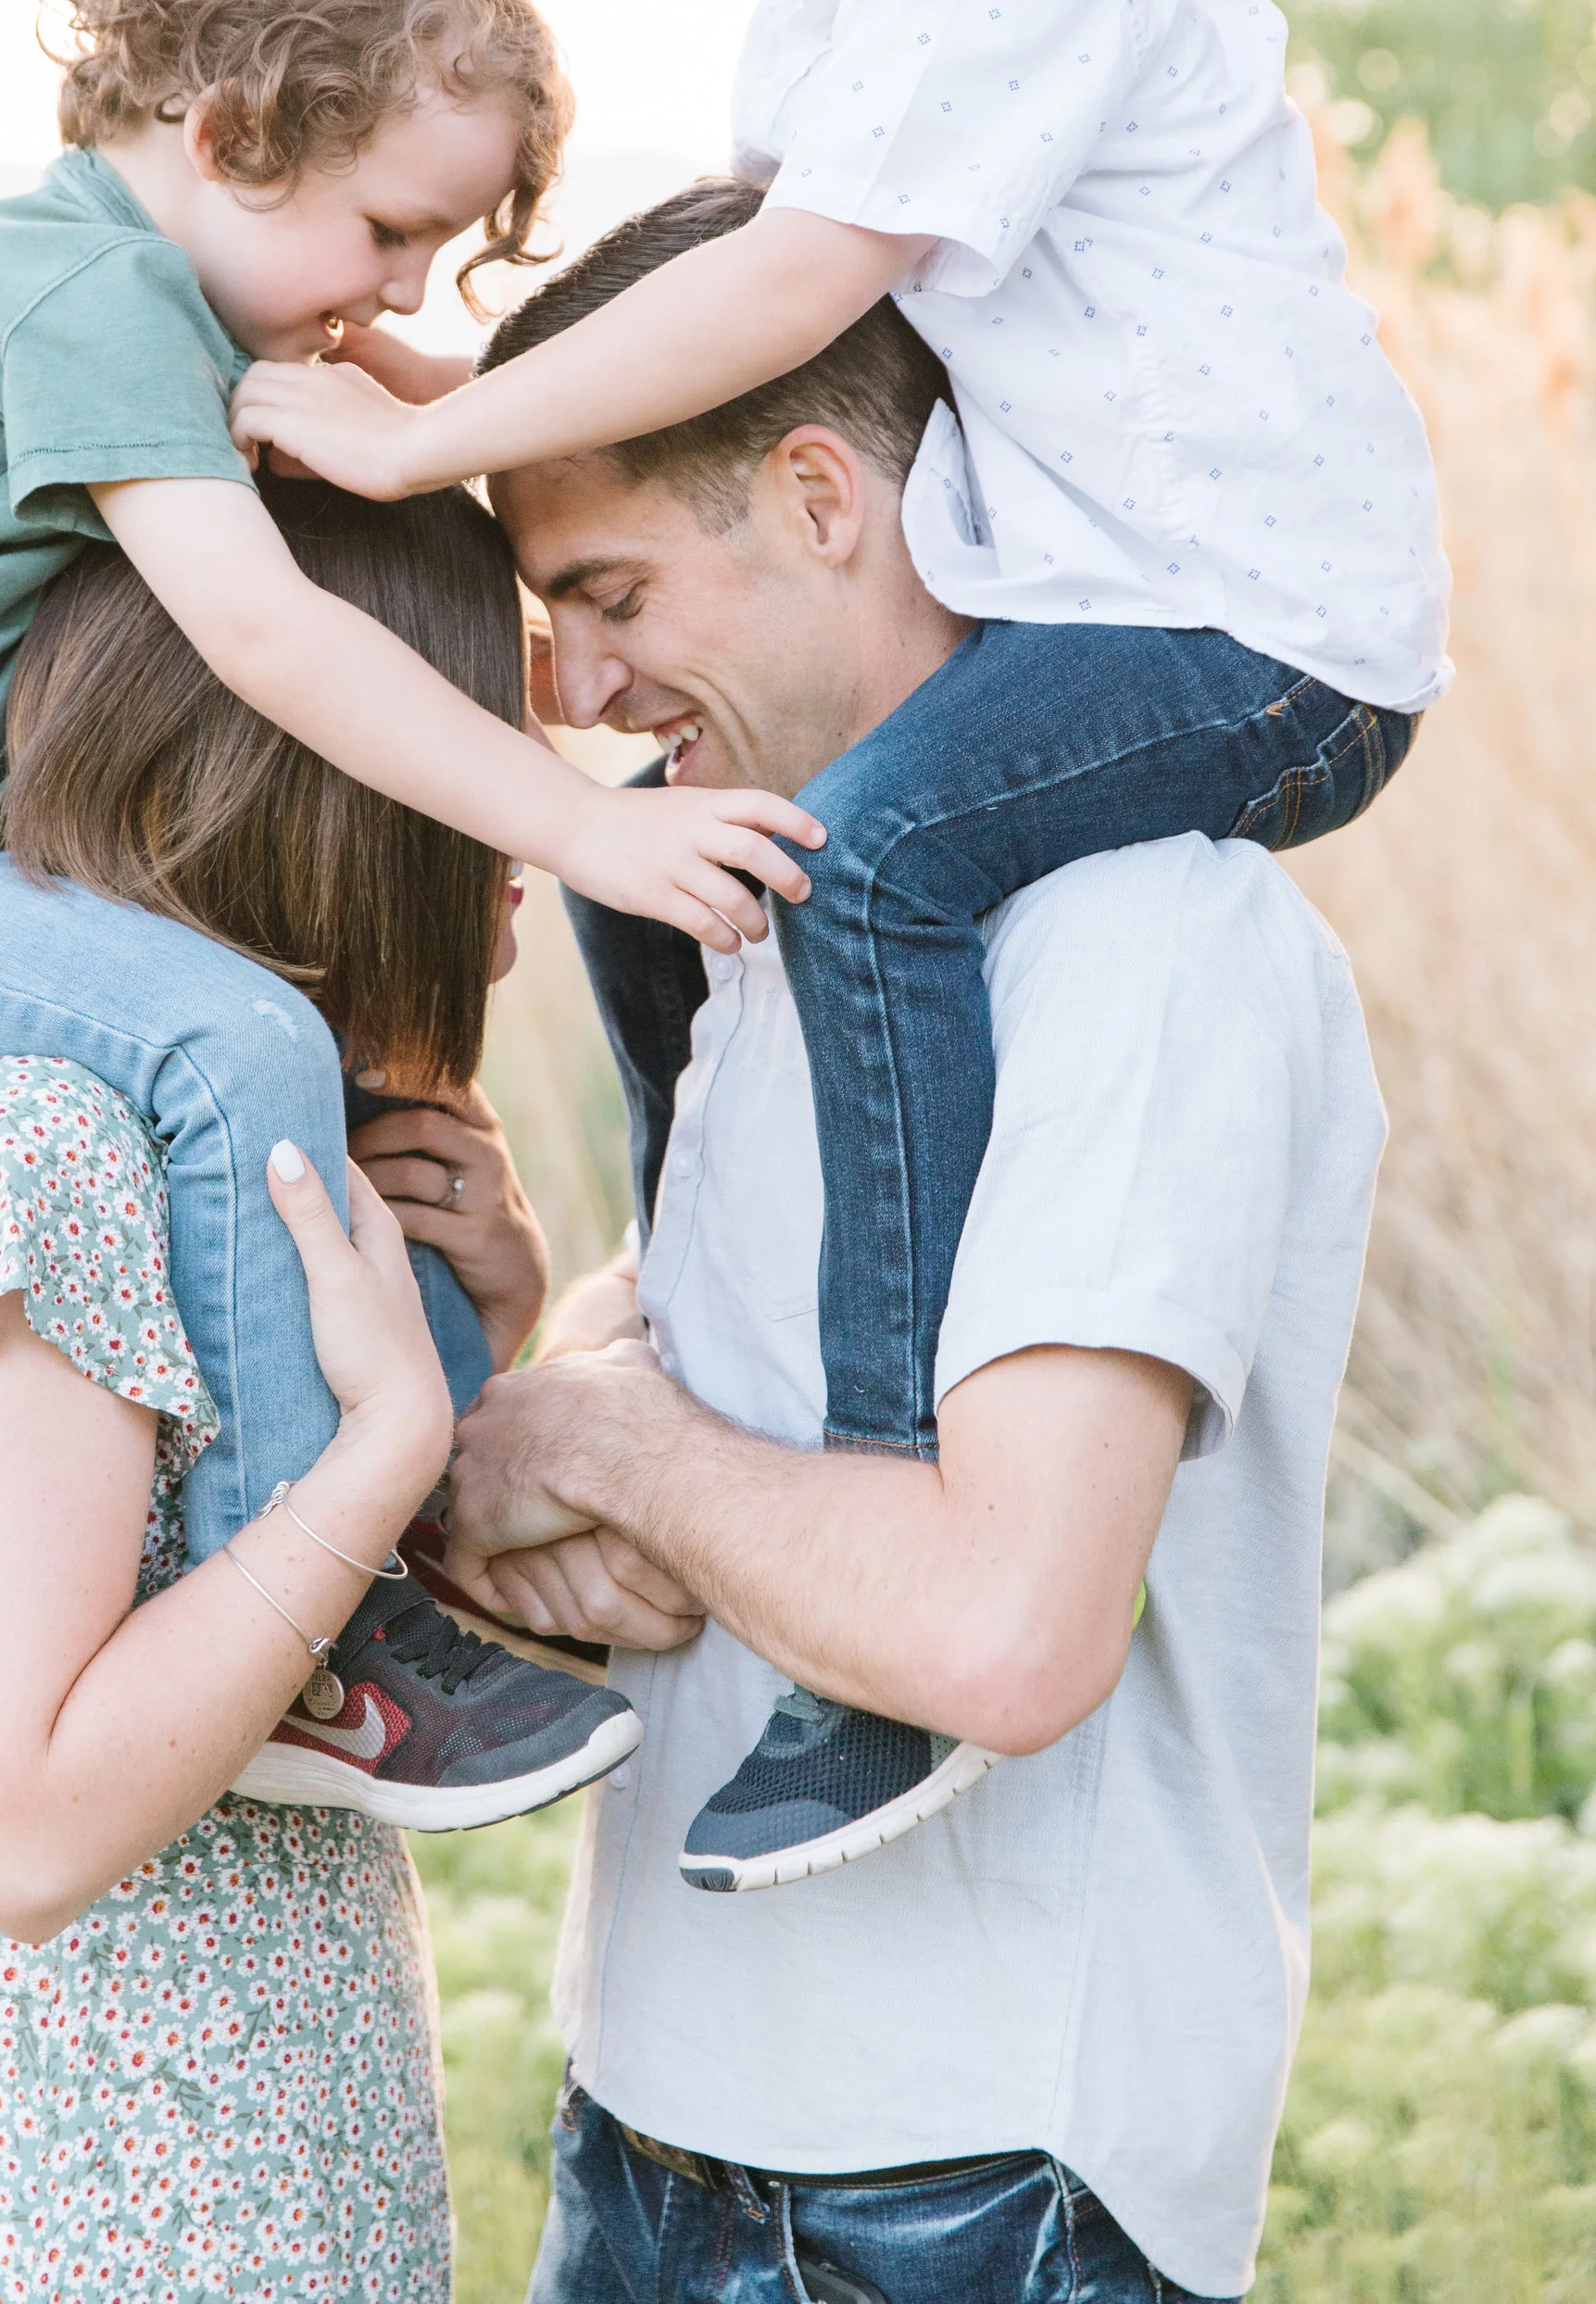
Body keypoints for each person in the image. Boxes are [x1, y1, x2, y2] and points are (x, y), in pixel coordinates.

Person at [230, 0, 1445, 1881]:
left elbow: (787, 302)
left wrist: (403, 451)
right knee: (638, 849)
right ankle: (693, 1281)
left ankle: (884, 1480)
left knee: (874, 856)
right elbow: (725, 354)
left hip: (1257, 626)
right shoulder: (843, 16)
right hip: (1104, 601)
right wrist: (396, 370)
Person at [0, 0, 816, 1825]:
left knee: (257, 1079)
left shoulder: (132, 285)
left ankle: (374, 1552)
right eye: (390, 230)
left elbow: (394, 410)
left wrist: (420, 388)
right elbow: (270, 632)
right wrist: (577, 821)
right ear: (229, 130)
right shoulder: (86, 297)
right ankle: (306, 1624)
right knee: (229, 1040)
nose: (393, 291)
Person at [434, 183, 1389, 2304]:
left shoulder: (1134, 938)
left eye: (604, 592)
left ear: (812, 494)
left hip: (970, 2183)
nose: (576, 687)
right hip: (664, 2113)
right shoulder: (784, 898)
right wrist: (545, 1382)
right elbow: (701, 1343)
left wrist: (604, 1458)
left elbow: (997, 1633)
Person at [0, 475, 577, 2300]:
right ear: (325, 774)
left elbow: (295, 1649)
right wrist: (381, 1453)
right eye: (477, 742)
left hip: (254, 2157)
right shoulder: (41, 1142)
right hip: (70, 2193)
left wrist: (481, 1335)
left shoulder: (264, 1142)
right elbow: (23, 1825)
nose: (536, 806)